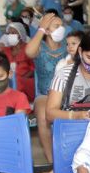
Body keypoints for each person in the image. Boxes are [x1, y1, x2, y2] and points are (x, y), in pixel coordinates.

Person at [25, 13, 67, 163]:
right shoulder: (40, 47)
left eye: (62, 25)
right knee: (43, 116)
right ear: (47, 31)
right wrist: (41, 28)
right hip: (45, 94)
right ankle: (52, 161)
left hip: (67, 95)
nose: (61, 29)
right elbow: (29, 52)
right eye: (56, 26)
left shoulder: (68, 45)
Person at [46, 30, 90, 123]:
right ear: (80, 51)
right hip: (73, 129)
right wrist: (77, 115)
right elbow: (49, 114)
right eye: (89, 57)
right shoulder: (64, 74)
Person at [0, 22, 36, 103]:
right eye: (8, 33)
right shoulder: (5, 50)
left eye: (13, 33)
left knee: (17, 81)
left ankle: (16, 102)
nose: (10, 35)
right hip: (9, 81)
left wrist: (19, 78)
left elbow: (33, 70)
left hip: (26, 82)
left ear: (20, 34)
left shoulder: (28, 48)